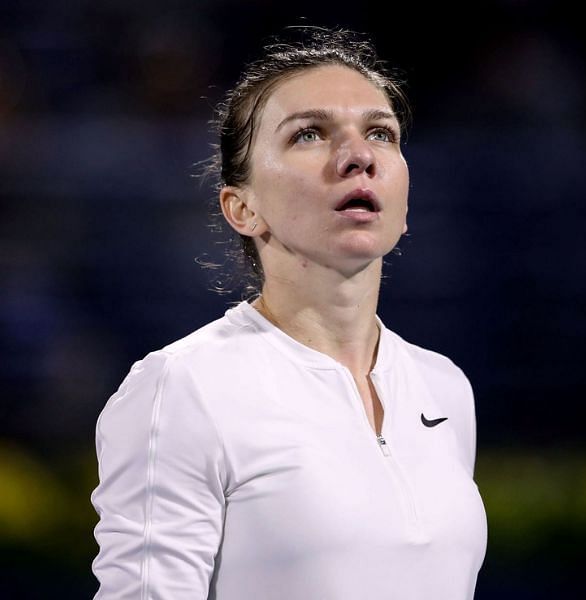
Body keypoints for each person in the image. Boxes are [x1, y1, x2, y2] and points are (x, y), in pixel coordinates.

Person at [90, 28, 486, 598]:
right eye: (309, 134)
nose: (359, 157)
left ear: (404, 203)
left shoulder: (444, 386)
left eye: (380, 133)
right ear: (243, 208)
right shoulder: (182, 387)